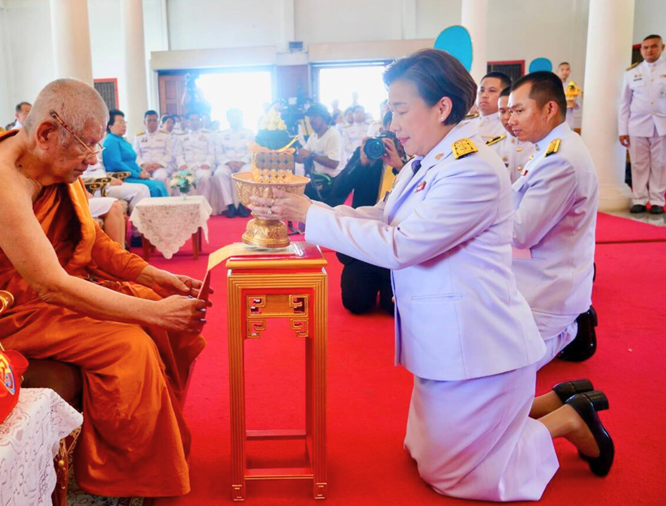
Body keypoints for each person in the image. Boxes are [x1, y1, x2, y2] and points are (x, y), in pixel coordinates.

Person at [251, 49, 614, 501]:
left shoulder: (472, 169)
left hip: (480, 349)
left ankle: (570, 419)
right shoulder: (431, 159)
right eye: (390, 110)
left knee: (457, 478)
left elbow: (401, 245)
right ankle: (547, 404)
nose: (393, 123)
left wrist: (312, 214)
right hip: (446, 341)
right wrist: (310, 214)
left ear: (442, 107)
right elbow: (385, 215)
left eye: (401, 110)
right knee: (420, 450)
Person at [0, 78, 208, 497]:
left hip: (39, 293)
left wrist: (152, 277)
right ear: (45, 133)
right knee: (131, 342)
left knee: (153, 304)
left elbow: (91, 241)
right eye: (88, 146)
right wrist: (153, 313)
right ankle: (124, 474)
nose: (93, 160)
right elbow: (51, 285)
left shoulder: (51, 163)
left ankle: (155, 447)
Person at [507, 71, 599, 367]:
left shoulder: (560, 159)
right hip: (531, 274)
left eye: (519, 110)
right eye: (510, 112)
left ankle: (570, 329)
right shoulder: (548, 149)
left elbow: (520, 233)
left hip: (547, 288)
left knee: (499, 374)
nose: (511, 120)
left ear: (549, 109)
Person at [325, 110, 405, 315]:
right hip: (364, 243)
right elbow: (337, 191)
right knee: (356, 304)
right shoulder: (369, 153)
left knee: (392, 308)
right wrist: (361, 164)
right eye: (389, 129)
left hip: (398, 246)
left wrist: (399, 165)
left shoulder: (413, 160)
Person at [619, 34, 666, 214]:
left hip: (662, 124)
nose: (649, 50)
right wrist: (623, 129)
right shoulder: (632, 72)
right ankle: (639, 199)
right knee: (638, 163)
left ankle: (657, 200)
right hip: (637, 125)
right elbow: (624, 103)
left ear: (662, 48)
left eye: (654, 46)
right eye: (645, 47)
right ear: (641, 50)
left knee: (660, 164)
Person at [102, 109, 168, 197]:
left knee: (160, 184)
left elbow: (133, 162)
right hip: (124, 177)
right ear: (110, 126)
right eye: (120, 122)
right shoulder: (110, 141)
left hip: (133, 175)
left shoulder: (123, 141)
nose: (124, 125)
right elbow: (117, 164)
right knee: (155, 187)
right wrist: (137, 174)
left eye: (124, 122)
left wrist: (142, 171)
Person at [175, 111, 224, 214]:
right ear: (187, 122)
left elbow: (212, 152)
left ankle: (203, 208)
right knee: (182, 178)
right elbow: (178, 154)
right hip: (187, 166)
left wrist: (208, 163)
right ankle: (186, 209)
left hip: (203, 165)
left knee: (205, 178)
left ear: (201, 121)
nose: (194, 122)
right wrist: (182, 164)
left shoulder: (208, 135)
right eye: (192, 120)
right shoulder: (181, 136)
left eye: (197, 120)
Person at [213, 108, 254, 218]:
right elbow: (218, 153)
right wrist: (228, 162)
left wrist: (242, 162)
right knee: (219, 173)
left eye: (237, 117)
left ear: (241, 118)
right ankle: (230, 205)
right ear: (228, 119)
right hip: (227, 163)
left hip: (244, 162)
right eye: (233, 117)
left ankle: (241, 205)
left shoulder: (249, 133)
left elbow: (252, 151)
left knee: (247, 172)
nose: (235, 119)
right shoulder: (221, 134)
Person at [296, 103, 342, 201]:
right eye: (310, 117)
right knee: (298, 192)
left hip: (333, 181)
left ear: (324, 118)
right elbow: (301, 159)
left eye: (315, 116)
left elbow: (334, 163)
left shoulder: (333, 135)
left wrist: (311, 155)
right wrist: (297, 154)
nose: (312, 120)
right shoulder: (313, 137)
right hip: (319, 179)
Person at [487, 87, 532, 182]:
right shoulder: (492, 148)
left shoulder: (540, 145)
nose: (507, 117)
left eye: (512, 111)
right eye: (502, 111)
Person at [133, 110, 175, 186]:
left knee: (160, 177)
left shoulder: (166, 135)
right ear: (144, 122)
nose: (152, 123)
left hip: (161, 167)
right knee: (141, 178)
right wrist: (143, 164)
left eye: (154, 120)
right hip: (144, 168)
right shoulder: (138, 137)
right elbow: (136, 155)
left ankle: (162, 197)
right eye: (149, 121)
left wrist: (159, 164)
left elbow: (169, 154)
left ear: (158, 122)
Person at [466, 71, 510, 144]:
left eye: (492, 91)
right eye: (481, 90)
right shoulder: (465, 122)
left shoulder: (509, 126)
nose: (484, 95)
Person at [556, 62, 582, 130]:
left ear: (570, 72)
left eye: (567, 69)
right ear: (557, 71)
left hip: (568, 121)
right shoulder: (552, 85)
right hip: (554, 121)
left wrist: (573, 103)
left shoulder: (573, 87)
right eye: (562, 69)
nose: (565, 72)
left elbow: (578, 105)